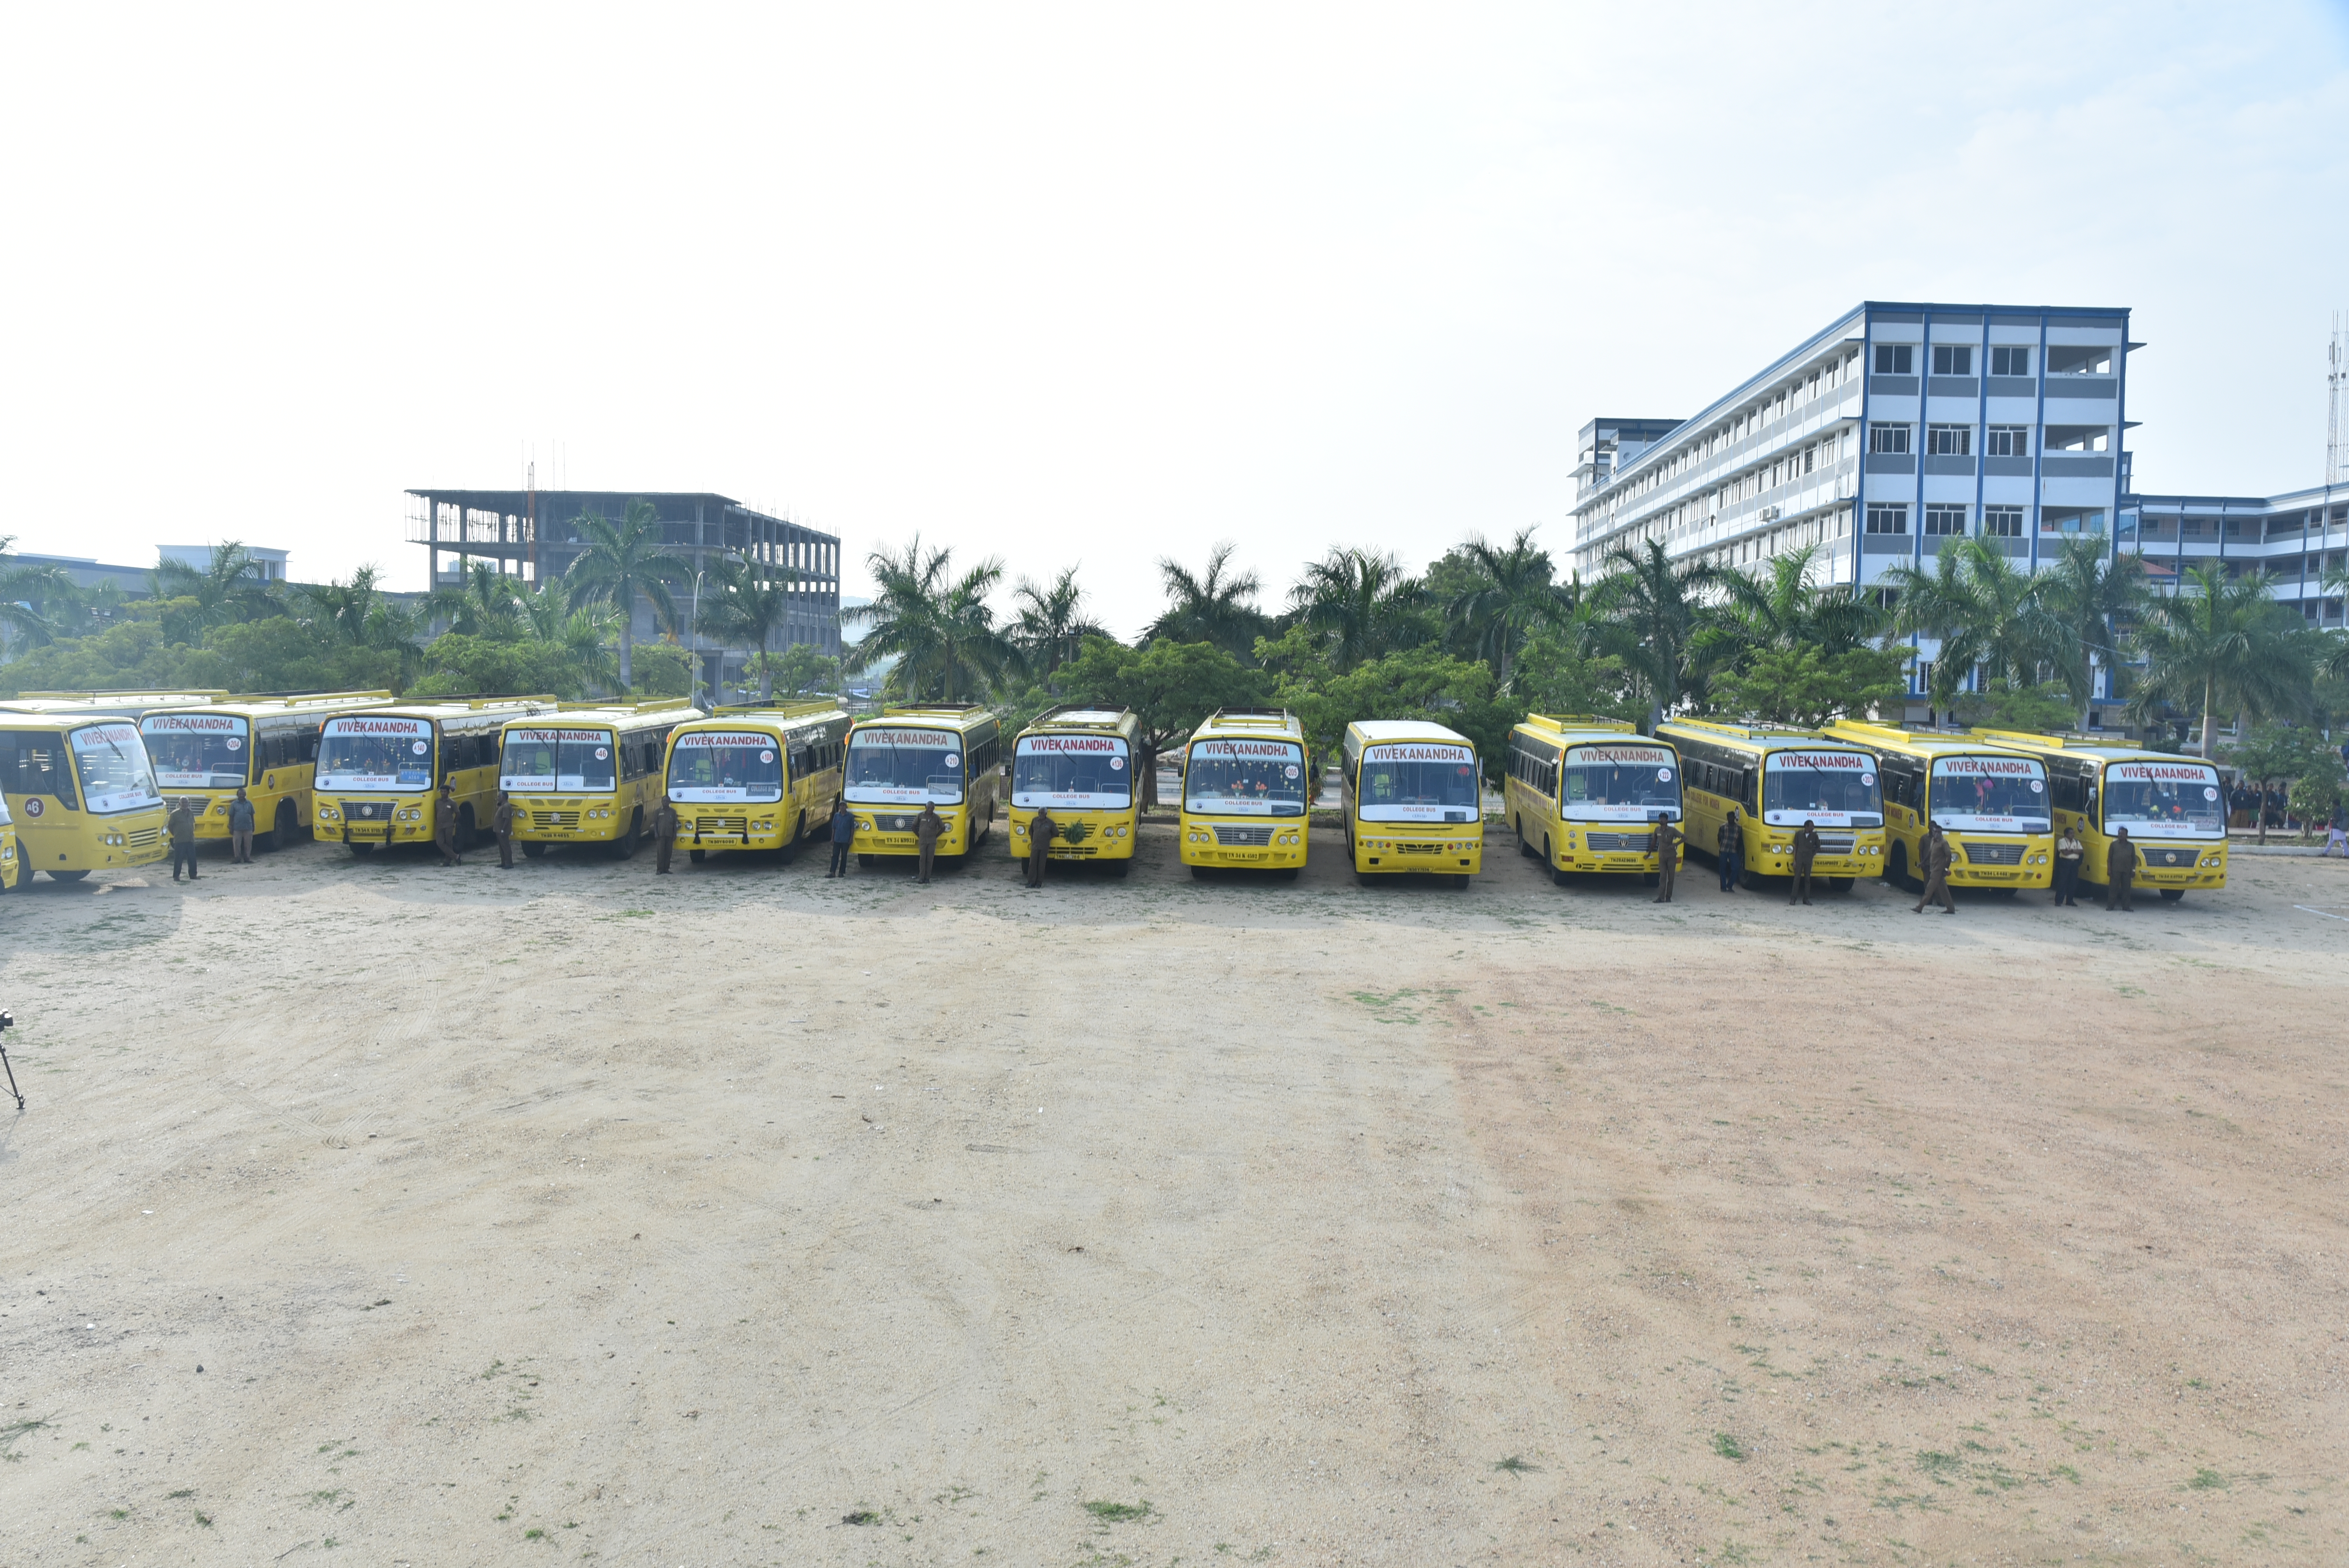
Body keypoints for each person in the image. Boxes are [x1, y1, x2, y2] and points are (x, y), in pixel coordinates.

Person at [1914, 823, 1956, 914]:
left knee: (1929, 889)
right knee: (1944, 891)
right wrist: (1923, 862)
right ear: (1933, 832)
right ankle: (1951, 908)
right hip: (1933, 868)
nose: (1937, 834)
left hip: (1938, 870)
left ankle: (1920, 907)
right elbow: (1930, 853)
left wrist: (1946, 869)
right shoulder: (1933, 841)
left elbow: (1949, 857)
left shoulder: (1944, 843)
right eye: (1935, 832)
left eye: (1939, 832)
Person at [2105, 823, 2139, 911]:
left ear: (2126, 835)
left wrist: (2133, 870)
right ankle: (2110, 906)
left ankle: (2126, 907)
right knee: (2113, 889)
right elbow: (2109, 858)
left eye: (2123, 834)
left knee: (2127, 890)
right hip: (2115, 870)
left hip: (2127, 871)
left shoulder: (2131, 846)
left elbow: (2134, 860)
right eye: (2119, 834)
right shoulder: (2114, 845)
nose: (2121, 835)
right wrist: (2109, 869)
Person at [1789, 818, 1821, 905]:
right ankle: (1793, 899)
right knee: (1797, 879)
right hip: (1799, 859)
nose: (1813, 828)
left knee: (1808, 879)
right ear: (1806, 827)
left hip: (1808, 860)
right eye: (1811, 826)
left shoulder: (1814, 836)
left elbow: (1818, 846)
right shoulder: (1799, 834)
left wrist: (1812, 855)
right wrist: (1795, 860)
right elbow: (1796, 847)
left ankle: (1806, 899)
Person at [168, 797, 200, 882]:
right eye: (183, 802)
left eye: (186, 802)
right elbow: (170, 826)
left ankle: (193, 875)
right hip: (180, 840)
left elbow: (193, 823)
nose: (185, 804)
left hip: (190, 839)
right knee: (179, 859)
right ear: (179, 803)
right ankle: (176, 876)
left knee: (192, 859)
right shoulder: (175, 814)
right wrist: (176, 834)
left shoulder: (191, 813)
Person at [2053, 822, 2085, 905]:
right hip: (2065, 863)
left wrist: (2071, 850)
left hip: (2074, 864)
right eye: (2071, 833)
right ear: (2066, 834)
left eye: (2073, 833)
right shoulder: (2062, 841)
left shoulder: (2076, 842)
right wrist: (2075, 852)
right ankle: (2059, 901)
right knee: (2062, 882)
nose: (2073, 835)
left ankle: (2070, 901)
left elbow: (2081, 851)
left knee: (2073, 883)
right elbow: (2064, 853)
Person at [433, 779, 463, 866]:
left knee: (449, 843)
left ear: (448, 793)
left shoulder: (452, 803)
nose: (443, 793)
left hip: (449, 825)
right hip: (440, 826)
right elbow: (436, 813)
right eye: (442, 792)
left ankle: (447, 861)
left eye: (445, 792)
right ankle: (456, 857)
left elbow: (458, 814)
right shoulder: (437, 802)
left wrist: (454, 822)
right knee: (440, 843)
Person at [1025, 806, 1055, 889]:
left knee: (1041, 865)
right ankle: (1031, 882)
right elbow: (1031, 831)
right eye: (1039, 813)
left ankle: (1039, 883)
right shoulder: (1035, 821)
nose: (1040, 814)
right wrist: (1033, 840)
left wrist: (1048, 838)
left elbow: (1056, 833)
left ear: (1046, 814)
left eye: (1042, 813)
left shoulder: (1050, 823)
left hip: (1044, 847)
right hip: (1035, 846)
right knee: (1032, 864)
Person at [914, 803, 944, 884]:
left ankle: (927, 878)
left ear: (934, 808)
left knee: (930, 860)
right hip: (923, 841)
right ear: (926, 808)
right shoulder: (921, 816)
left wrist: (936, 836)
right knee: (922, 859)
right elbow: (913, 826)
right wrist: (919, 836)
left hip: (932, 842)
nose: (930, 809)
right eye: (929, 808)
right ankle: (921, 878)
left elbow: (943, 828)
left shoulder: (936, 818)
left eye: (932, 808)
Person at [825, 796, 855, 877]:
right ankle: (833, 872)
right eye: (841, 806)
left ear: (846, 807)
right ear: (839, 807)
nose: (842, 807)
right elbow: (834, 828)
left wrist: (851, 838)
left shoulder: (850, 817)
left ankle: (841, 872)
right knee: (835, 856)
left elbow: (852, 828)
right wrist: (832, 839)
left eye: (844, 806)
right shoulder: (836, 816)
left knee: (844, 856)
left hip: (846, 840)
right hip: (837, 839)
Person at [1652, 817, 1680, 903]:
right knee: (1662, 877)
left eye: (1663, 819)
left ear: (1667, 821)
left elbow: (1684, 837)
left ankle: (1668, 897)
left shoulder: (1672, 830)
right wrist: (1649, 854)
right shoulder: (1657, 830)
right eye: (1660, 819)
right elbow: (1654, 842)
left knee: (1671, 878)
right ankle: (1661, 898)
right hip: (1662, 857)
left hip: (1671, 857)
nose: (1661, 821)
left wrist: (1676, 844)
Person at [651, 793, 680, 875]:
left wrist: (675, 834)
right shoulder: (658, 811)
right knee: (661, 853)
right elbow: (655, 823)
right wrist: (656, 833)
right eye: (664, 801)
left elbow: (675, 824)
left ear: (670, 802)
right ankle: (659, 869)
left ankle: (666, 869)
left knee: (669, 853)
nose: (666, 803)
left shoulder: (673, 812)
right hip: (660, 836)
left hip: (670, 836)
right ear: (662, 802)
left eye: (667, 801)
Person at [227, 785, 256, 864]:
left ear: (245, 795)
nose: (242, 796)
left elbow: (252, 815)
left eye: (243, 794)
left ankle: (247, 858)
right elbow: (231, 816)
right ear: (238, 795)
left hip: (248, 827)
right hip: (237, 828)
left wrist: (253, 825)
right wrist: (231, 827)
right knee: (237, 844)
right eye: (240, 794)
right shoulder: (234, 804)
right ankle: (237, 859)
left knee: (248, 844)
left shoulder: (249, 803)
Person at [1716, 808, 1743, 893]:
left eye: (1732, 817)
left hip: (1733, 850)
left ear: (1734, 818)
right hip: (1724, 850)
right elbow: (1719, 838)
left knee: (1736, 868)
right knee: (1723, 869)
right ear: (1727, 818)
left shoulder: (1739, 829)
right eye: (1729, 817)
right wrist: (1721, 847)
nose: (1731, 819)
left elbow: (1739, 840)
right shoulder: (1723, 827)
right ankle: (1723, 887)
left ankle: (1730, 885)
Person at [492, 790, 516, 870]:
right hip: (498, 830)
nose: (498, 798)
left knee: (506, 847)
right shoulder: (502, 805)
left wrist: (503, 830)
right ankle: (504, 862)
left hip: (503, 831)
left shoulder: (506, 806)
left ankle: (509, 863)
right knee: (501, 847)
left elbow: (507, 819)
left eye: (499, 797)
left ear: (503, 797)